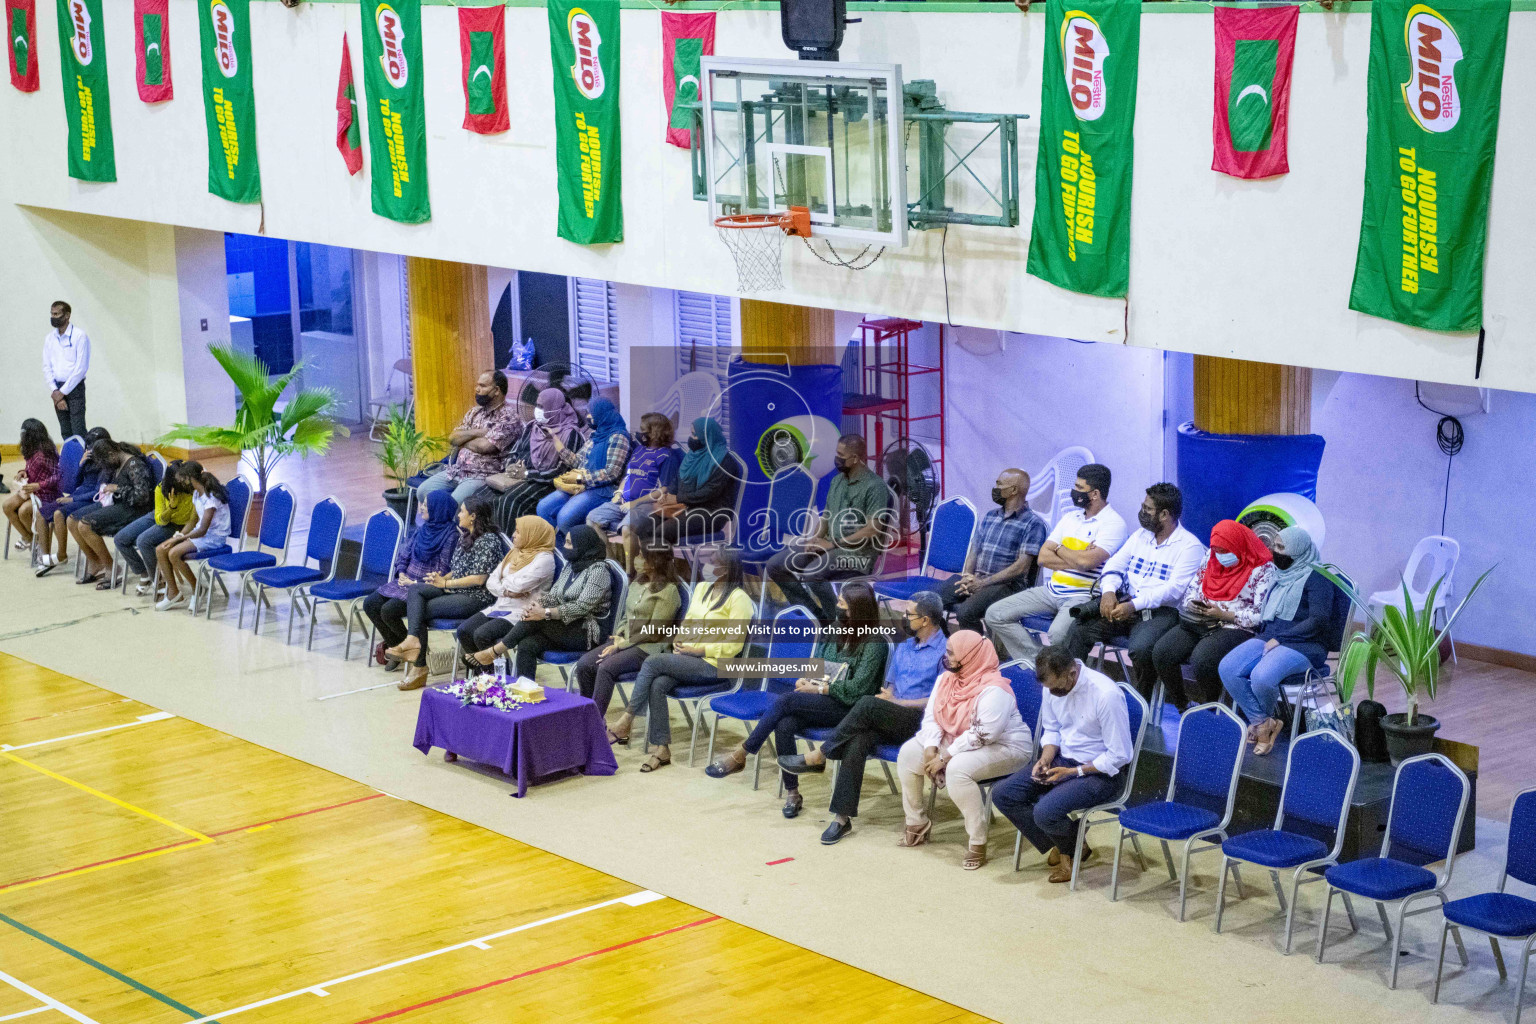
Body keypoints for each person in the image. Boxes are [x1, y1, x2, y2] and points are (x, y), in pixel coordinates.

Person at [778, 590, 949, 844]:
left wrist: (897, 702)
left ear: (925, 620)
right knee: (859, 739)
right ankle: (841, 819)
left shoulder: (946, 651)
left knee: (866, 703)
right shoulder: (905, 645)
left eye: (908, 614)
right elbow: (890, 685)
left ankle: (820, 755)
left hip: (920, 721)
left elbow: (941, 701)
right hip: (890, 711)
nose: (903, 617)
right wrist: (889, 696)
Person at [705, 582, 889, 817]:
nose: (837, 606)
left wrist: (820, 688)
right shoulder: (834, 629)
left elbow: (856, 690)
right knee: (785, 723)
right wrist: (806, 680)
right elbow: (819, 666)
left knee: (786, 702)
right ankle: (793, 793)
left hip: (850, 710)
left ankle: (742, 753)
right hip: (824, 698)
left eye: (842, 603)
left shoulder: (875, 643)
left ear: (857, 610)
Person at [992, 646, 1135, 883]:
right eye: (1049, 689)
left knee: (1045, 811)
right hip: (1063, 759)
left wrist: (1073, 772)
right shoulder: (1053, 687)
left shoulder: (1105, 694)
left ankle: (1068, 851)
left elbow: (1119, 755)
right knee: (1004, 794)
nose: (1053, 693)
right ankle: (1070, 840)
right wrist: (1045, 758)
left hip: (1100, 772)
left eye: (1057, 688)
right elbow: (1053, 729)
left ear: (1072, 673)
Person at [895, 629, 1033, 870]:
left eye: (951, 653)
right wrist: (930, 747)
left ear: (969, 657)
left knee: (957, 769)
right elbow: (932, 716)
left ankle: (978, 841)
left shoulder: (994, 689)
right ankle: (917, 822)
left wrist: (945, 757)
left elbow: (983, 734)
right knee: (909, 753)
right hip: (959, 740)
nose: (946, 658)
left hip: (1006, 747)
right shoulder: (946, 680)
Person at [611, 548, 755, 772]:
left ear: (727, 570)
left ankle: (627, 719)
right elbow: (688, 623)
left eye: (713, 563)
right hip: (689, 658)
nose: (707, 567)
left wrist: (698, 650)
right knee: (658, 683)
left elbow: (734, 645)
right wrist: (679, 642)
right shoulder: (701, 588)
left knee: (652, 662)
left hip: (716, 666)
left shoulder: (740, 599)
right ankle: (662, 749)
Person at [1062, 482, 1203, 697]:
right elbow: (1114, 565)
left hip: (1161, 613)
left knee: (1141, 650)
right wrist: (1108, 591)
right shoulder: (1140, 536)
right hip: (1125, 604)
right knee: (1079, 629)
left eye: (1147, 509)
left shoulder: (1189, 546)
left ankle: (1140, 704)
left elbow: (1174, 590)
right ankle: (1074, 692)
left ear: (1164, 514)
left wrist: (1133, 605)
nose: (1142, 512)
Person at [984, 463, 1127, 662]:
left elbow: (1086, 563)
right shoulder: (1070, 518)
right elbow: (1043, 557)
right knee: (995, 614)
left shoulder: (1114, 524)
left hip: (1083, 596)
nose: (1074, 491)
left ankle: (1058, 674)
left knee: (1057, 634)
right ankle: (1040, 663)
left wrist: (1060, 550)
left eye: (1079, 488)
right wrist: (1076, 557)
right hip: (1051, 590)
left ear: (1094, 494)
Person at [1219, 527, 1335, 755]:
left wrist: (1281, 639)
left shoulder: (1318, 578)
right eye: (1275, 545)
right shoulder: (1279, 574)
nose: (1274, 551)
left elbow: (1318, 621)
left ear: (1298, 550)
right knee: (1228, 668)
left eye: (1281, 547)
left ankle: (1261, 725)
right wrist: (1274, 638)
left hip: (1304, 644)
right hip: (1271, 637)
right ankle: (1264, 723)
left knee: (1261, 677)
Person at [764, 434, 892, 624]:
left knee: (812, 573)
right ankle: (817, 618)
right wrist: (815, 539)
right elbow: (826, 517)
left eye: (841, 455)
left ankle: (838, 622)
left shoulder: (875, 486)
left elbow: (872, 529)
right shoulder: (837, 481)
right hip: (830, 546)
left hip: (858, 554)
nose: (836, 458)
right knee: (776, 565)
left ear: (856, 459)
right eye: (836, 453)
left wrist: (832, 543)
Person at [1149, 519, 1276, 710]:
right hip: (1201, 619)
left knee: (1203, 659)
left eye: (1225, 551)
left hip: (1235, 626)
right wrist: (1192, 603)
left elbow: (1260, 616)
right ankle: (1183, 705)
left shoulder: (1262, 569)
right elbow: (1193, 587)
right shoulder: (1211, 555)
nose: (1220, 556)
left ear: (1238, 545)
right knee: (1162, 652)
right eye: (1217, 550)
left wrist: (1225, 614)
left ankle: (1210, 707)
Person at [387, 496, 506, 691]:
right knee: (416, 590)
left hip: (476, 597)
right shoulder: (465, 535)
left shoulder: (489, 540)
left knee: (420, 611)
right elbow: (457, 568)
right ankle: (413, 643)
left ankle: (419, 666)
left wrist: (446, 583)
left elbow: (479, 579)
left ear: (473, 516)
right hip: (455, 589)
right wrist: (440, 578)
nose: (458, 515)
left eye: (462, 511)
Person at [463, 525, 611, 678]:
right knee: (527, 643)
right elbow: (555, 595)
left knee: (537, 619)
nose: (564, 547)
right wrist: (538, 605)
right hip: (564, 626)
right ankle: (523, 692)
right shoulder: (571, 566)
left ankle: (494, 651)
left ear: (582, 544)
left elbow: (582, 606)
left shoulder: (598, 571)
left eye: (568, 543)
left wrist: (545, 613)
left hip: (587, 631)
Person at [573, 545, 683, 717]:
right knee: (585, 664)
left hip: (649, 648)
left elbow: (654, 631)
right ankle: (586, 717)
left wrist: (623, 644)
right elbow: (625, 615)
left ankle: (594, 721)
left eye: (641, 555)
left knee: (606, 668)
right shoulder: (637, 583)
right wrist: (619, 636)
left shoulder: (669, 591)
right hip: (625, 641)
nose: (636, 558)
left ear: (654, 562)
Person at [939, 468, 1048, 632]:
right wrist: (968, 576)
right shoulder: (991, 515)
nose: (995, 488)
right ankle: (945, 645)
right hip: (978, 579)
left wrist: (982, 583)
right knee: (931, 601)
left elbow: (1021, 567)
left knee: (965, 612)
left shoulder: (1033, 523)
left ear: (1013, 490)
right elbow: (974, 550)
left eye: (999, 484)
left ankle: (977, 651)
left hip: (1007, 586)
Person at [363, 489, 462, 668]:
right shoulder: (422, 529)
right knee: (370, 604)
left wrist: (415, 583)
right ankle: (398, 647)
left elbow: (443, 570)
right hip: (405, 581)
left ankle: (412, 651)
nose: (421, 508)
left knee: (389, 610)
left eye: (426, 505)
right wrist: (401, 573)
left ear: (437, 509)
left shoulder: (451, 536)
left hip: (424, 587)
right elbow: (404, 554)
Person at [454, 516, 560, 666]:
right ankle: (482, 679)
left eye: (518, 532)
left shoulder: (545, 559)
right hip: (499, 607)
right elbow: (491, 581)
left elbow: (518, 586)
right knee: (464, 630)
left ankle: (501, 679)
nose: (513, 535)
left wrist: (503, 583)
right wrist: (506, 591)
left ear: (532, 534)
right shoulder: (515, 552)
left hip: (519, 613)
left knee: (481, 635)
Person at [587, 412, 682, 572]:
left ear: (655, 432)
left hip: (648, 505)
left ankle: (629, 573)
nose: (640, 432)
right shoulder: (638, 450)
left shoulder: (668, 456)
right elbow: (628, 475)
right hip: (623, 502)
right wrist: (619, 492)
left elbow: (664, 489)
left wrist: (635, 503)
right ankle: (612, 565)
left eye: (644, 429)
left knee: (627, 528)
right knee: (592, 520)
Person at [417, 370, 522, 504]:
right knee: (423, 492)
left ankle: (450, 524)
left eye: (483, 386)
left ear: (496, 390)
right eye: (477, 385)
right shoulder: (474, 412)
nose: (477, 389)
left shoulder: (509, 417)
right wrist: (477, 433)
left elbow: (485, 447)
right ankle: (439, 524)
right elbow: (453, 438)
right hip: (456, 471)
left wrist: (463, 441)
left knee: (452, 504)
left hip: (482, 475)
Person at [636, 416, 741, 549]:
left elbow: (709, 493)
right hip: (687, 507)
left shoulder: (724, 461)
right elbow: (677, 482)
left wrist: (677, 498)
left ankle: (662, 568)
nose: (691, 438)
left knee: (664, 531)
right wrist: (666, 497)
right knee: (645, 526)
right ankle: (653, 566)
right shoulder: (692, 457)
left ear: (707, 437)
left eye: (694, 435)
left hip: (712, 513)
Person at [536, 398, 632, 539]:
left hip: (604, 490)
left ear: (601, 414)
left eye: (591, 413)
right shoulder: (595, 436)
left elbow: (612, 472)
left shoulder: (619, 437)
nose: (588, 417)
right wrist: (554, 439)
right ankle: (560, 553)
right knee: (543, 508)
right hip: (582, 485)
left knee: (565, 517)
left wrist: (581, 479)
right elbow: (577, 462)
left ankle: (578, 551)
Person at [495, 388, 586, 523]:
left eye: (542, 407)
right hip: (521, 477)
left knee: (510, 502)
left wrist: (527, 474)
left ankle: (520, 542)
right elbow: (514, 452)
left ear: (554, 408)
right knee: (485, 498)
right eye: (537, 405)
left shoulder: (570, 434)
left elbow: (563, 472)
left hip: (548, 483)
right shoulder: (532, 426)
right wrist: (511, 466)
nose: (537, 410)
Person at [73, 443, 155, 589]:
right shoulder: (118, 462)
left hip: (136, 510)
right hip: (122, 505)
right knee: (75, 521)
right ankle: (98, 562)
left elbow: (143, 496)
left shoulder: (135, 465)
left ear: (112, 454)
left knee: (85, 525)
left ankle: (111, 567)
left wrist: (117, 488)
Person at [152, 468, 231, 612]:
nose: (180, 484)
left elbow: (203, 530)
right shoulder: (196, 494)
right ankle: (173, 594)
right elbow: (193, 521)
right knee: (161, 549)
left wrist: (180, 540)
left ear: (189, 478)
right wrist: (178, 536)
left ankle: (197, 588)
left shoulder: (211, 497)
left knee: (174, 553)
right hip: (201, 535)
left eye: (182, 480)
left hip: (214, 538)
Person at [35, 428, 112, 575]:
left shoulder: (106, 464)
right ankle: (44, 556)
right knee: (41, 514)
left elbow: (97, 492)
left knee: (58, 514)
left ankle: (61, 554)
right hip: (79, 493)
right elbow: (76, 483)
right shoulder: (89, 459)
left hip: (88, 499)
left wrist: (73, 498)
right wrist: (81, 465)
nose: (90, 450)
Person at [116, 458, 196, 596]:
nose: (183, 483)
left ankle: (158, 581)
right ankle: (145, 574)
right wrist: (171, 507)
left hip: (179, 524)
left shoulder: (191, 491)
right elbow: (160, 521)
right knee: (120, 539)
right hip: (163, 517)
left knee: (143, 541)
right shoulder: (161, 489)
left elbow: (191, 521)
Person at [2, 419, 60, 555]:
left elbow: (58, 476)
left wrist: (39, 485)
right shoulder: (30, 448)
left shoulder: (47, 452)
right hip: (31, 491)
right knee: (7, 506)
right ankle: (29, 538)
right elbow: (31, 468)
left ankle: (39, 541)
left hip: (47, 492)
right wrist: (24, 472)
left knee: (23, 511)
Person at [43, 300, 90, 440]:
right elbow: (46, 366)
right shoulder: (50, 338)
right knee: (65, 430)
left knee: (78, 428)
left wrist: (62, 393)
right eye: (52, 314)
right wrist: (55, 390)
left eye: (56, 314)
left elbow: (81, 369)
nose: (53, 317)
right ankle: (70, 460)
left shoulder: (79, 336)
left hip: (74, 388)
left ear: (67, 315)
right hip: (57, 388)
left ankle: (82, 460)